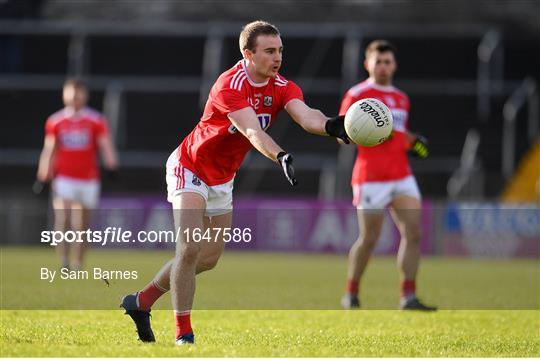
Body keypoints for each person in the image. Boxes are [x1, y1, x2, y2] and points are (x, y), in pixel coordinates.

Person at [120, 20, 349, 345]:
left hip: (222, 178)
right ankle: (183, 335)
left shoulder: (281, 85)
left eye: (280, 50)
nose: (277, 57)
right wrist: (281, 155)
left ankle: (141, 302)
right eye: (269, 51)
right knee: (189, 248)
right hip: (190, 166)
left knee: (209, 258)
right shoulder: (229, 84)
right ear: (248, 53)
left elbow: (305, 114)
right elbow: (253, 131)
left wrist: (331, 126)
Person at [338, 40, 436, 311]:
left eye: (387, 62)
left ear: (394, 65)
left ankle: (408, 297)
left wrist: (413, 142)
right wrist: (365, 132)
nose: (383, 66)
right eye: (378, 61)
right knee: (369, 239)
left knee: (414, 233)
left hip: (401, 175)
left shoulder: (401, 98)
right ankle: (351, 293)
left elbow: (400, 135)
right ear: (367, 64)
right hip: (371, 176)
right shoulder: (357, 94)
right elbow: (342, 136)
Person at [36, 78, 118, 270]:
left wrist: (112, 166)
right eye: (71, 91)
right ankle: (64, 260)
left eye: (78, 91)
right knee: (63, 217)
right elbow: (49, 149)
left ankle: (78, 262)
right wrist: (43, 175)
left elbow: (105, 144)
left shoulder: (95, 120)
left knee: (82, 223)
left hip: (88, 179)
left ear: (85, 95)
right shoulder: (56, 121)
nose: (75, 96)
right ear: (64, 94)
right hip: (64, 177)